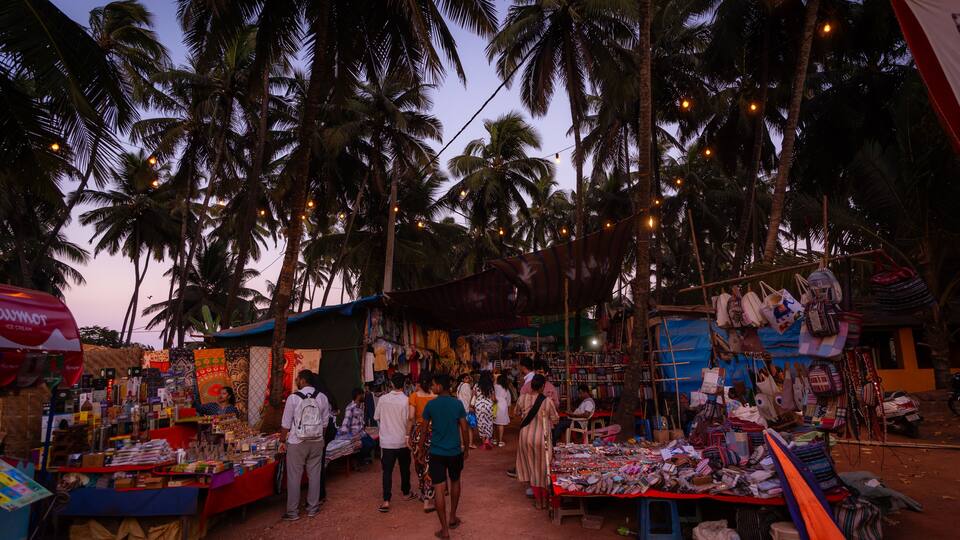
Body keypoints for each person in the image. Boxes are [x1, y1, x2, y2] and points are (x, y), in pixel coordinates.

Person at [422, 374, 469, 539]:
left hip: (436, 452)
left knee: (439, 490)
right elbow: (464, 428)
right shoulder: (457, 404)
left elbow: (423, 429)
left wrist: (421, 449)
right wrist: (467, 449)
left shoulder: (430, 405)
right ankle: (452, 517)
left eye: (434, 385)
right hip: (455, 452)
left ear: (440, 387)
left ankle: (445, 530)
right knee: (455, 481)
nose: (432, 388)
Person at [281, 370, 331, 521]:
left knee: (294, 477)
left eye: (297, 379)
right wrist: (319, 437)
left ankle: (293, 512)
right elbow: (325, 423)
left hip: (297, 442)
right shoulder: (322, 397)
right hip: (316, 441)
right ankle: (312, 508)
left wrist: (282, 441)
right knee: (315, 474)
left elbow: (285, 424)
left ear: (302, 380)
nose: (296, 381)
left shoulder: (293, 398)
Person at [516, 374, 559, 510]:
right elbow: (556, 419)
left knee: (532, 468)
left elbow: (516, 412)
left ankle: (538, 501)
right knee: (544, 468)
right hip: (542, 438)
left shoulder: (522, 399)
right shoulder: (547, 401)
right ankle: (545, 501)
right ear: (542, 387)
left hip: (525, 437)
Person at [375, 373, 415, 512]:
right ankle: (406, 492)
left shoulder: (383, 399)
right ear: (404, 384)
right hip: (402, 440)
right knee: (405, 468)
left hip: (387, 441)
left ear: (391, 383)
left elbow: (377, 417)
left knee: (387, 471)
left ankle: (386, 500)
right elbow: (410, 421)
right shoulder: (406, 400)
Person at [407, 374, 437, 512]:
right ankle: (428, 497)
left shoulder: (414, 396)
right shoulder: (435, 396)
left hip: (418, 433)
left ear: (418, 383)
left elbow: (411, 417)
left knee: (419, 464)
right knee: (430, 465)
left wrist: (408, 435)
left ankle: (424, 494)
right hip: (432, 432)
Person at [339, 388, 375, 465]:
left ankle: (360, 458)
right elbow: (345, 423)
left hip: (361, 433)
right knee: (368, 445)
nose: (364, 396)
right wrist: (348, 438)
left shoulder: (361, 406)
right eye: (363, 394)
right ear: (359, 395)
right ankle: (357, 459)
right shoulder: (350, 407)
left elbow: (361, 422)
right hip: (354, 434)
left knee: (373, 443)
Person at [473, 372, 495, 449]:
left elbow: (474, 396)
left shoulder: (476, 385)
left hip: (479, 406)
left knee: (481, 423)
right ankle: (487, 440)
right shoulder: (490, 386)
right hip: (488, 406)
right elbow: (493, 398)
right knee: (489, 423)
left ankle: (483, 443)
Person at [456, 374, 475, 449]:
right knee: (470, 427)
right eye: (466, 378)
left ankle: (462, 444)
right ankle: (470, 443)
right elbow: (469, 397)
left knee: (461, 427)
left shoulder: (459, 386)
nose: (468, 379)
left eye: (469, 378)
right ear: (463, 379)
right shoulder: (466, 385)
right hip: (467, 408)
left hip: (460, 408)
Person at [493, 374, 512, 447]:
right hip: (503, 405)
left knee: (494, 423)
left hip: (494, 404)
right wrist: (509, 411)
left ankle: (494, 439)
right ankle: (500, 441)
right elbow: (509, 400)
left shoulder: (494, 386)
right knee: (501, 424)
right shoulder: (506, 388)